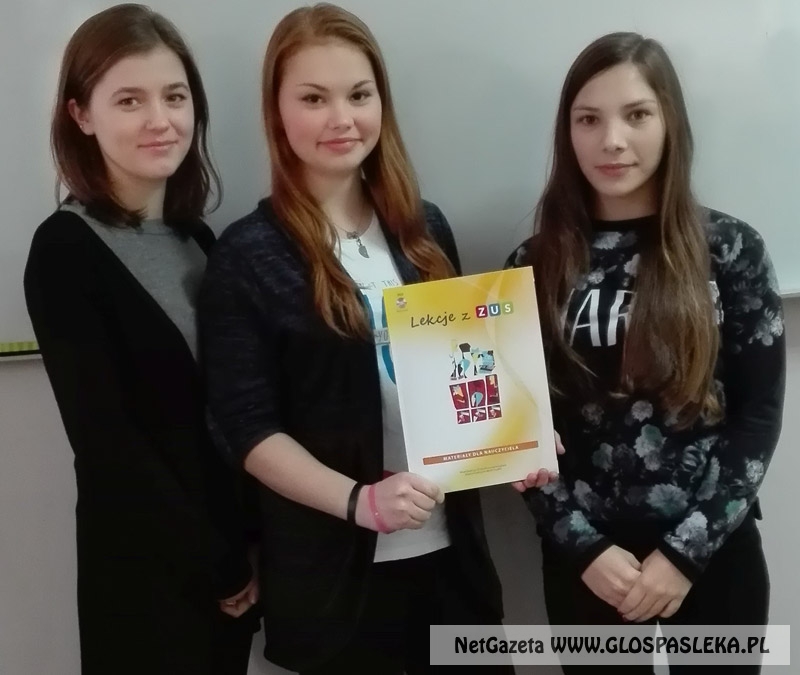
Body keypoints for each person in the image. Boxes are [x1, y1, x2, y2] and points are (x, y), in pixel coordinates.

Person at [199, 4, 554, 673]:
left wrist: (512, 440)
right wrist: (359, 501)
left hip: (451, 562)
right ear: (277, 112)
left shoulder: (424, 229)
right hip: (338, 586)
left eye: (359, 95)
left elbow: (458, 374)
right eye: (314, 98)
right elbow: (247, 429)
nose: (342, 118)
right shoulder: (246, 257)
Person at [505, 32, 785, 674]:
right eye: (589, 119)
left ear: (669, 122)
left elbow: (758, 417)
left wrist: (685, 554)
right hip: (588, 563)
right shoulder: (532, 265)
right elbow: (515, 436)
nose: (612, 140)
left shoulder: (731, 249)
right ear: (567, 132)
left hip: (712, 553)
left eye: (636, 115)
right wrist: (583, 548)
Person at [23, 5, 258, 674]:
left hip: (232, 566)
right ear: (81, 115)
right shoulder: (65, 250)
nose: (161, 119)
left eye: (175, 96)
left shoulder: (198, 240)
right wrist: (218, 563)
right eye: (130, 100)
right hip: (148, 578)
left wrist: (248, 548)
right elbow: (110, 447)